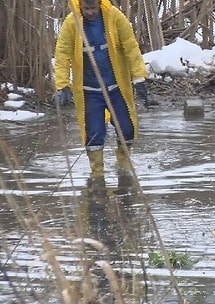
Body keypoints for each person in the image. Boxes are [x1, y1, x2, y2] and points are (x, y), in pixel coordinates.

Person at [53, 0, 149, 179]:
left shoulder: (114, 17)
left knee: (127, 129)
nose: (90, 12)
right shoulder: (71, 23)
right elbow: (62, 55)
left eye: (93, 8)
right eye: (86, 9)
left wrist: (139, 78)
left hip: (116, 88)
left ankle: (124, 165)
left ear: (99, 5)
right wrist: (62, 85)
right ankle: (97, 175)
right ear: (80, 6)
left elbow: (131, 47)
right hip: (89, 92)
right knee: (94, 135)